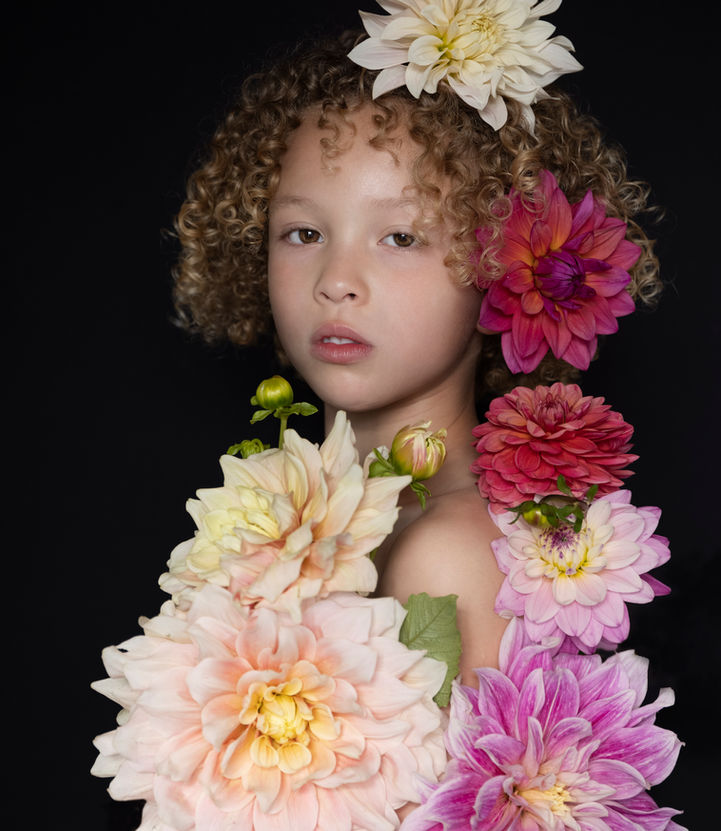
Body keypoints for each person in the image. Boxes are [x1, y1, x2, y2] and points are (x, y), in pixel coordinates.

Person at [170, 19, 661, 689]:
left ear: (501, 261)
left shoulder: (445, 554)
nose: (335, 279)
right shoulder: (297, 525)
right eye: (303, 231)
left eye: (400, 237)